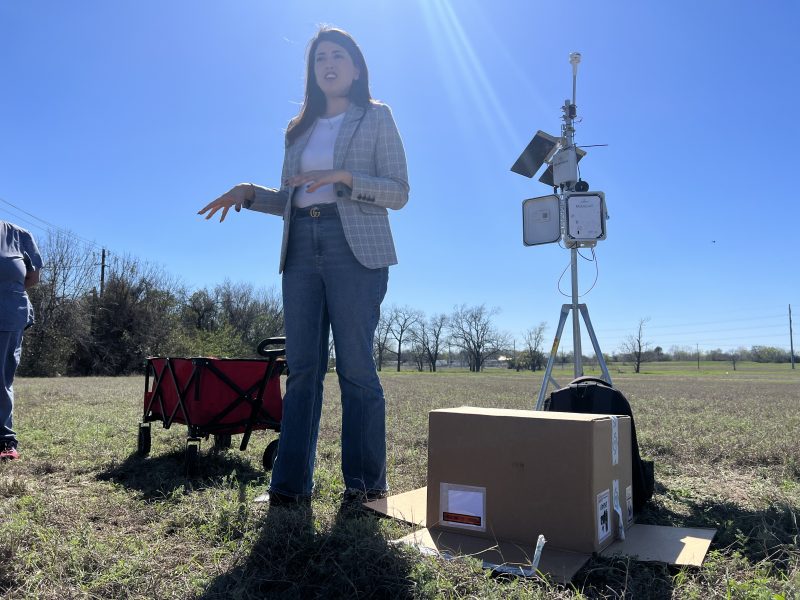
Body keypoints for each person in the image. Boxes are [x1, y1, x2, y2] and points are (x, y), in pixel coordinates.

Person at [199, 27, 409, 506]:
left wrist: (343, 178)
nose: (328, 64)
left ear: (356, 68)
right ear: (312, 72)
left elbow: (398, 191)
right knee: (303, 370)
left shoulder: (376, 117)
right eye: (319, 59)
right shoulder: (297, 130)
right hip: (300, 248)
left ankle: (366, 487)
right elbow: (290, 200)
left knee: (356, 368)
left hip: (353, 245)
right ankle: (289, 486)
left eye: (338, 56)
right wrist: (250, 194)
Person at [0, 220, 43, 460]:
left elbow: (32, 278)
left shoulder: (19, 235)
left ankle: (5, 440)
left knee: (1, 378)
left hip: (7, 315)